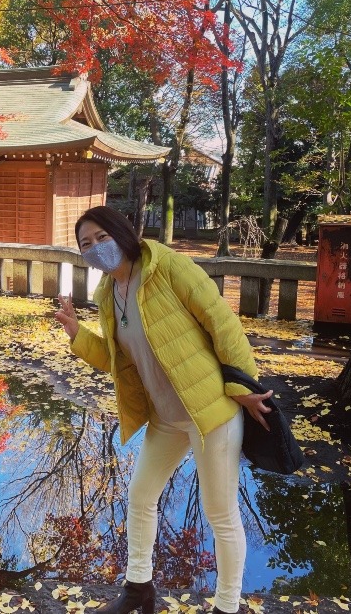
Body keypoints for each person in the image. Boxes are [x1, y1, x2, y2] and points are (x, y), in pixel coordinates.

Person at [54, 206, 271, 614]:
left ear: (122, 232)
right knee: (141, 496)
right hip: (166, 417)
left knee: (220, 513)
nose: (97, 247)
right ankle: (138, 591)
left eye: (103, 237)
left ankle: (228, 606)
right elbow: (118, 359)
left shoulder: (167, 267)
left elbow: (222, 323)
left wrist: (242, 386)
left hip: (211, 412)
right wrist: (76, 333)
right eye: (86, 244)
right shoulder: (107, 294)